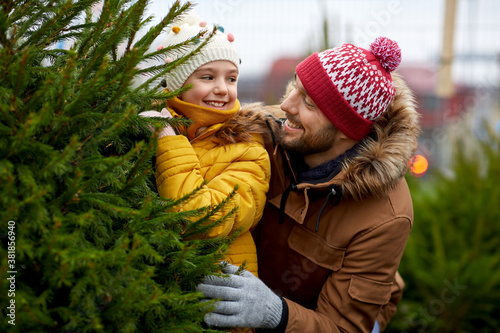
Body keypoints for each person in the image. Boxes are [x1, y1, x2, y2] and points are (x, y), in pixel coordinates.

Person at [197, 37, 421, 332]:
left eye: (309, 103)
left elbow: (344, 327)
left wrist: (275, 312)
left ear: (346, 130)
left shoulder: (386, 215)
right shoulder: (271, 133)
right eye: (295, 87)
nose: (286, 105)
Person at [141, 12, 271, 277]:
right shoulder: (146, 126)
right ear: (178, 82)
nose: (223, 88)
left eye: (231, 78)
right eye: (208, 77)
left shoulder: (249, 151)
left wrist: (169, 140)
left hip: (217, 302)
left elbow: (200, 219)